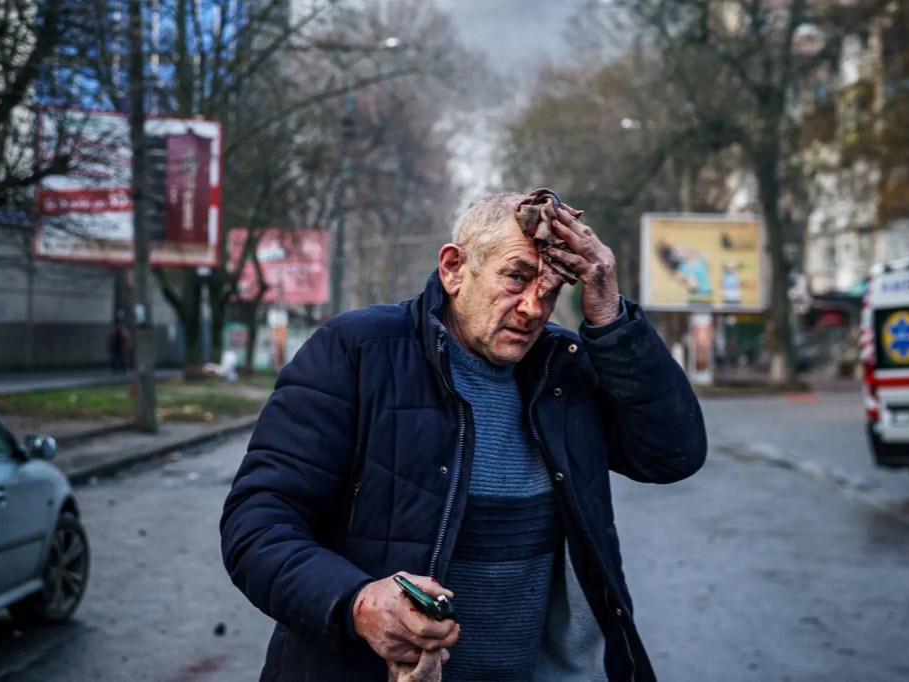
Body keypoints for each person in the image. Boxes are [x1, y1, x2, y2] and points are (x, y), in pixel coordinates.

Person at [220, 191, 707, 682]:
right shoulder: (357, 351)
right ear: (454, 268)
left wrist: (609, 312)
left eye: (553, 286)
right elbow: (258, 523)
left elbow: (671, 455)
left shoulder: (568, 369)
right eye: (515, 276)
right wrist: (356, 602)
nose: (533, 307)